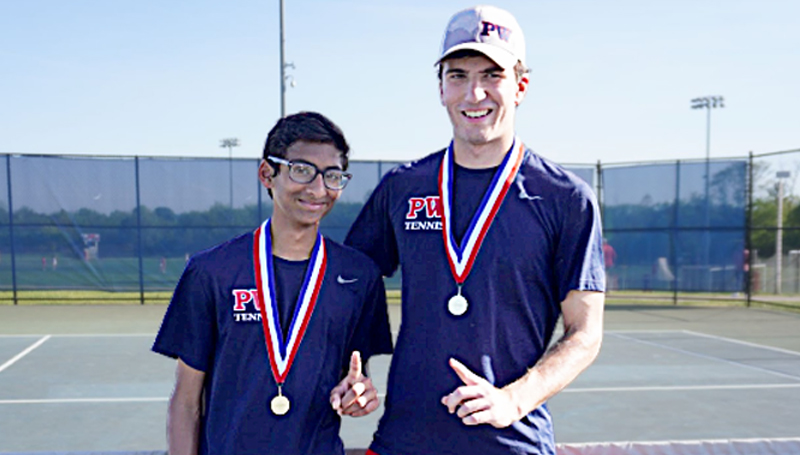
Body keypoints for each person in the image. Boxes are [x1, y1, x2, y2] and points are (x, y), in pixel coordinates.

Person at [344, 6, 605, 455]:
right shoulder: (403, 187)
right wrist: (353, 369)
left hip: (512, 443)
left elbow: (585, 333)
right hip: (405, 442)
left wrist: (514, 399)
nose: (475, 93)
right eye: (459, 75)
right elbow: (347, 287)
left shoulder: (565, 198)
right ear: (441, 87)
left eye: (492, 75)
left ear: (521, 85)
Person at [152, 112, 393, 455]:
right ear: (268, 173)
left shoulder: (360, 276)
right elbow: (186, 402)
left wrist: (357, 393)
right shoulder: (210, 272)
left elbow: (352, 376)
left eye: (332, 175)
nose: (318, 188)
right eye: (301, 170)